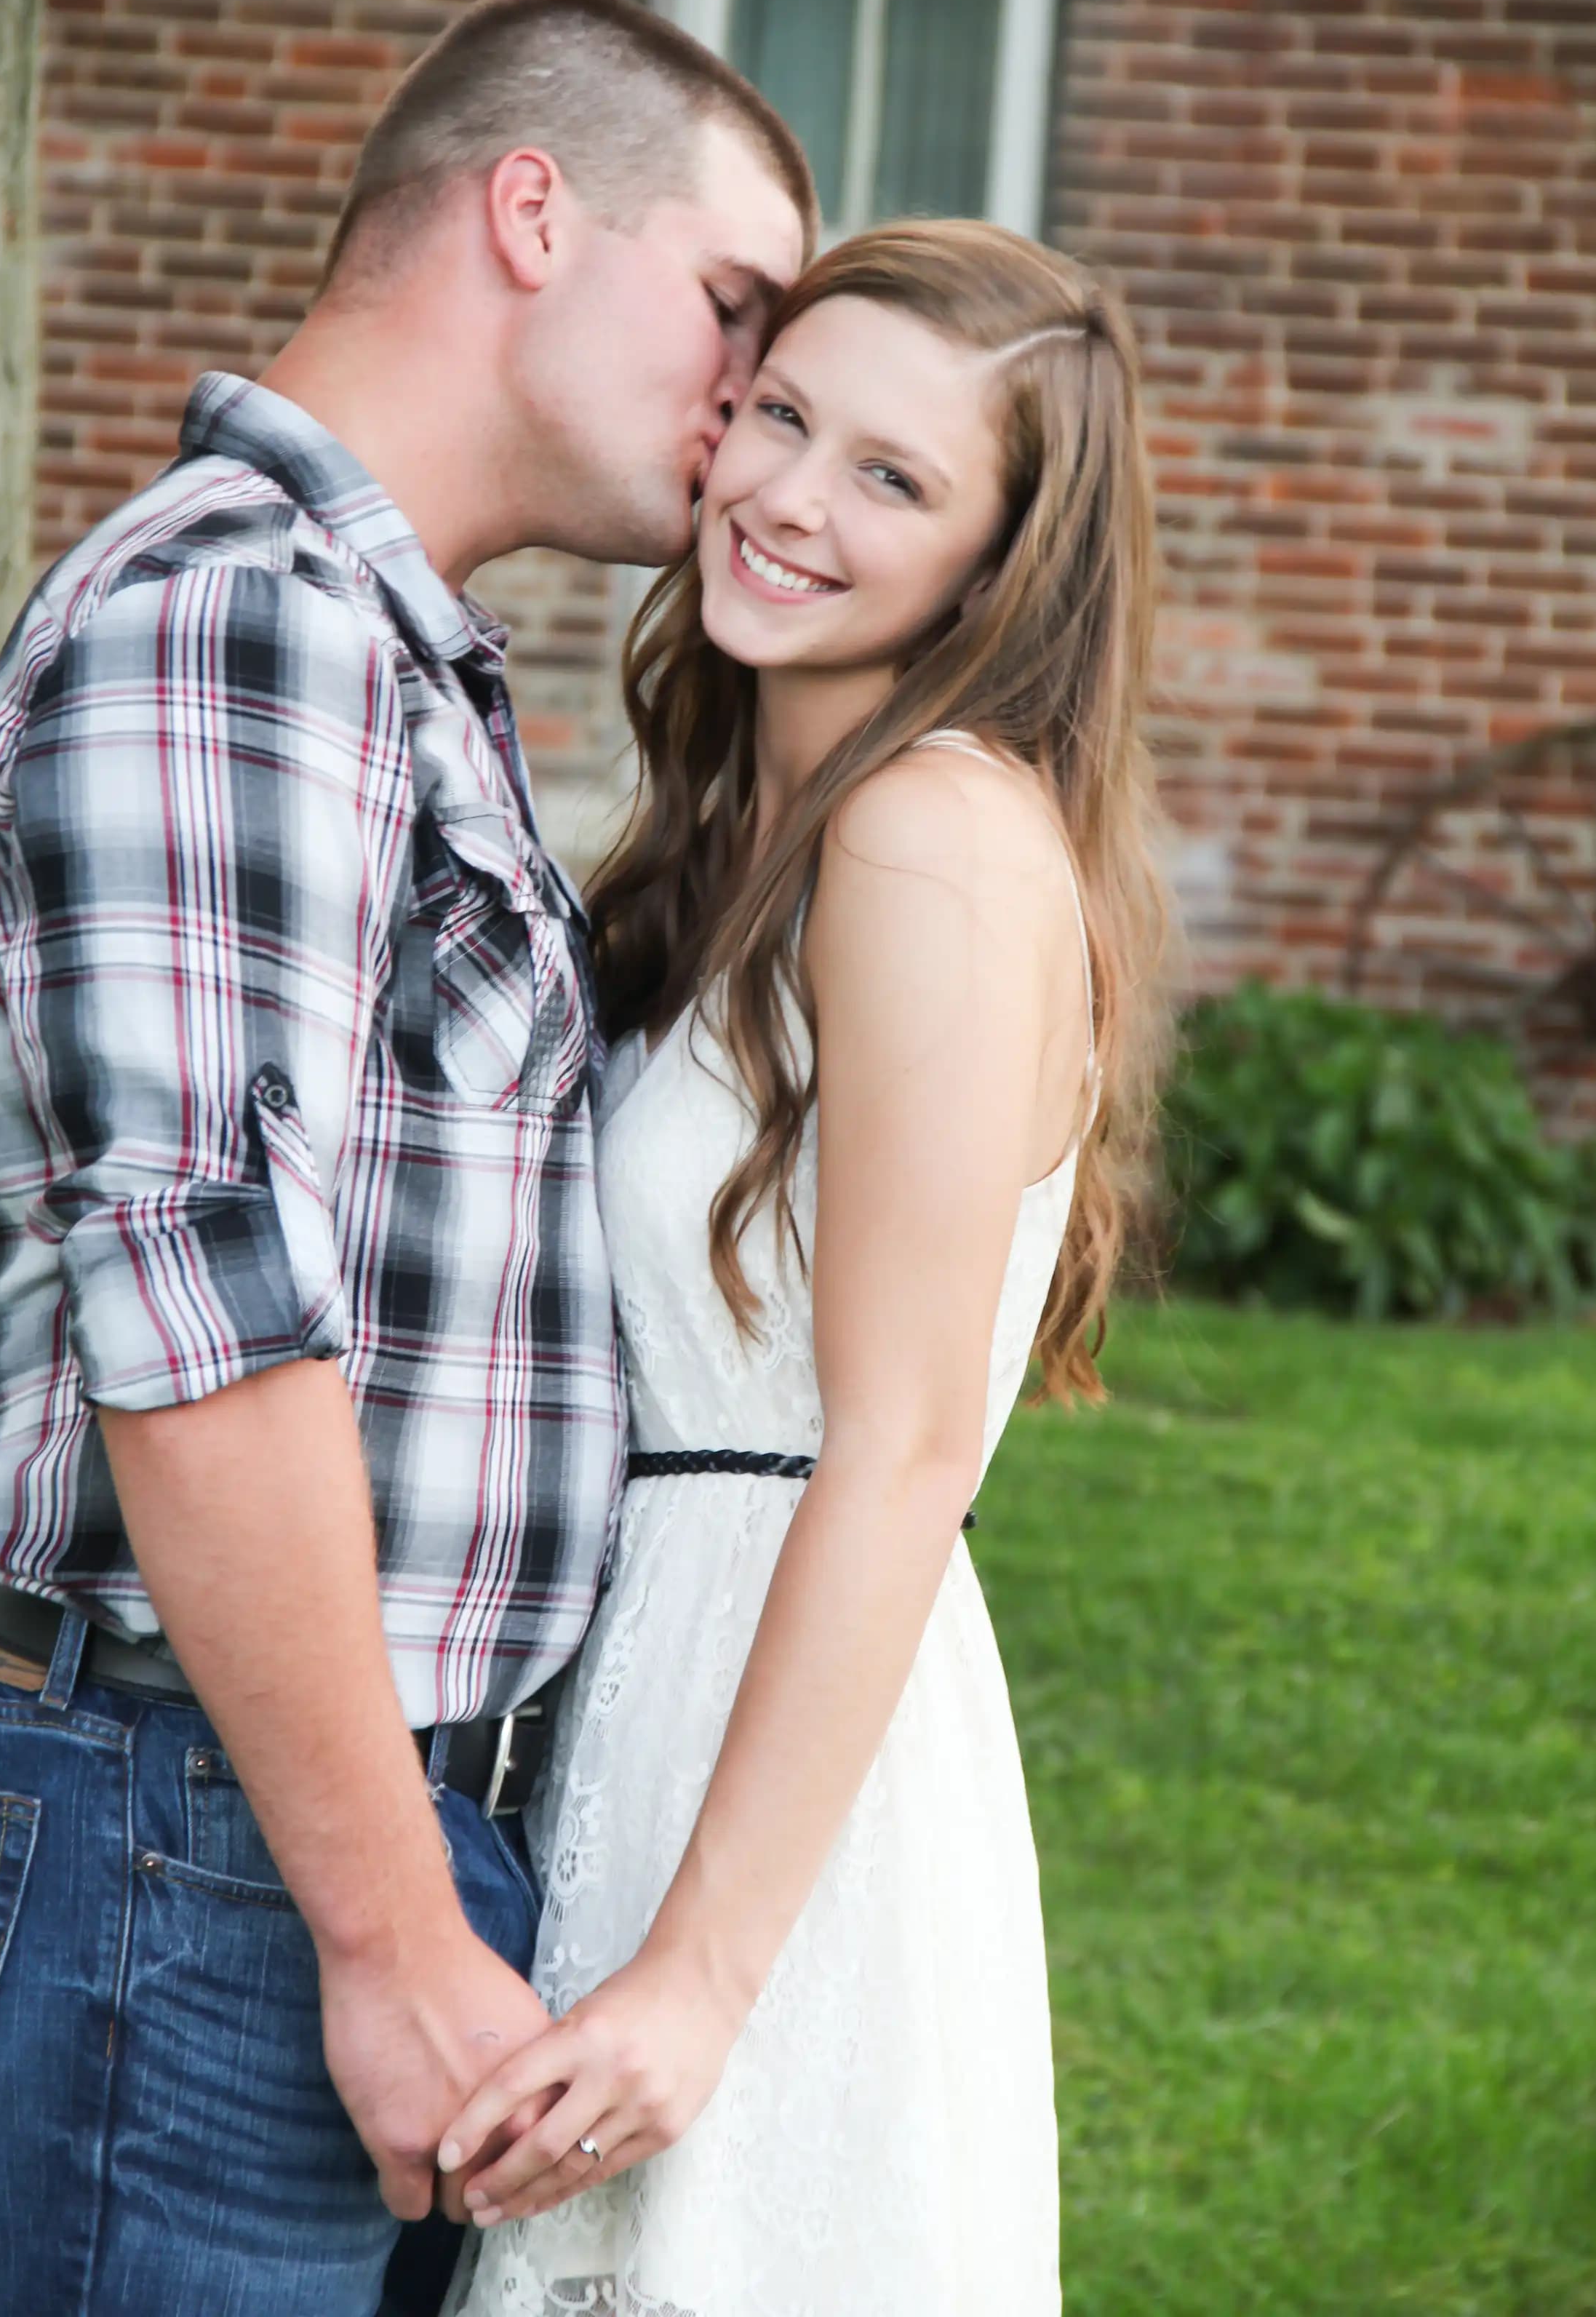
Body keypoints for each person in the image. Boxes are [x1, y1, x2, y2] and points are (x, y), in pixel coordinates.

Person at [0, 0, 810, 2317]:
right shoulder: (242, 621)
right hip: (176, 1828)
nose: (754, 396)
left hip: (249, 1823)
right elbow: (206, 1319)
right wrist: (386, 1925)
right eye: (733, 302)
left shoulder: (382, 647)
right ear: (534, 209)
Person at [440, 220, 1172, 2316]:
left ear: (1000, 568)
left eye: (893, 478)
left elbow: (910, 1443)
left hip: (774, 1765)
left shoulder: (928, 831)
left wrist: (697, 1974)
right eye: (781, 416)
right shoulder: (752, 826)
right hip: (652, 1681)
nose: (782, 495)